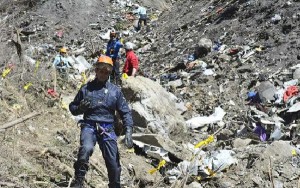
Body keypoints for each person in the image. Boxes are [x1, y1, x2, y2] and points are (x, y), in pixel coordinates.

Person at [69, 55, 134, 188]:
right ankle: (78, 182)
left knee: (113, 163)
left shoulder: (115, 92)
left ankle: (115, 185)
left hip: (108, 128)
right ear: (96, 70)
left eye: (106, 72)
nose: (103, 74)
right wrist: (80, 108)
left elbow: (125, 112)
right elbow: (72, 108)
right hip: (89, 126)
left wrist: (128, 130)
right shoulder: (86, 89)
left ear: (109, 73)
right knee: (85, 150)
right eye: (101, 70)